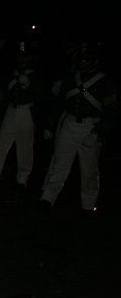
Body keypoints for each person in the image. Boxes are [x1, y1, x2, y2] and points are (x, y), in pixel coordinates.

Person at [39, 41, 117, 213]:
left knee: (89, 170)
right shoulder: (71, 77)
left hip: (90, 127)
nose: (82, 63)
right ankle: (47, 199)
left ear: (94, 61)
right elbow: (60, 103)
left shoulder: (105, 82)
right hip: (69, 123)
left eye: (86, 59)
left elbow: (111, 111)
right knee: (59, 165)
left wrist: (98, 133)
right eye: (81, 59)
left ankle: (88, 205)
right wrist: (50, 125)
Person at [0, 42, 41, 189]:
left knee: (25, 148)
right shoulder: (10, 74)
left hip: (25, 111)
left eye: (25, 56)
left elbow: (38, 96)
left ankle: (22, 179)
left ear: (30, 58)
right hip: (11, 111)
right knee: (0, 146)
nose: (22, 59)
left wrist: (28, 86)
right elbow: (3, 95)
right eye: (20, 56)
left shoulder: (35, 75)